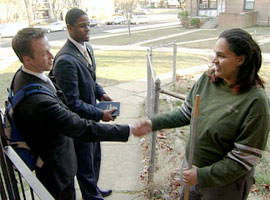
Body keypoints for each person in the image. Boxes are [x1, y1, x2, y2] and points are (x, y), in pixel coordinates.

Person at [133, 28, 270, 200]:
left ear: (240, 59)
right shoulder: (209, 80)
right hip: (191, 171)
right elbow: (186, 113)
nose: (214, 60)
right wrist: (152, 123)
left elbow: (244, 159)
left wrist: (202, 175)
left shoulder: (255, 101)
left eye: (221, 56)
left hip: (223, 186)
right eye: (215, 54)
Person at [10, 27, 145, 200]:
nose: (52, 56)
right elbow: (81, 127)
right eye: (44, 53)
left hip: (59, 159)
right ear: (27, 60)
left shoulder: (27, 75)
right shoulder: (38, 102)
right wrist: (129, 129)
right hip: (55, 168)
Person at [50, 8, 116, 200]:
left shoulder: (87, 48)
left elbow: (90, 79)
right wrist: (99, 114)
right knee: (85, 164)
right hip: (80, 123)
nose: (88, 29)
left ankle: (94, 188)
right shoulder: (65, 60)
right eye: (82, 26)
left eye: (88, 24)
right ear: (69, 28)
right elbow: (71, 102)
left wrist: (101, 94)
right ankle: (92, 197)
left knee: (95, 157)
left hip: (92, 117)